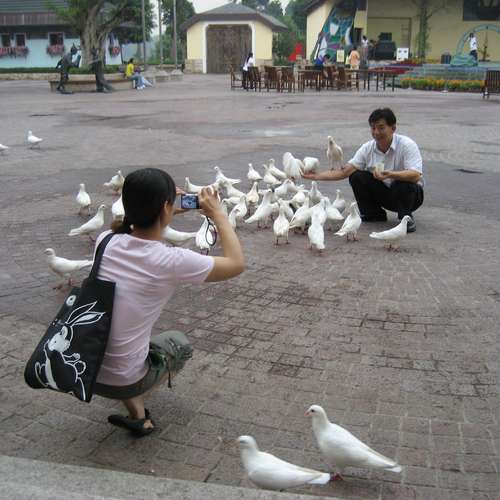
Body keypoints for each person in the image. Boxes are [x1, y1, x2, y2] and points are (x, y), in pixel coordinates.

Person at [92, 168, 245, 435]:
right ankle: (134, 390)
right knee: (178, 343)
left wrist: (164, 212)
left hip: (86, 365)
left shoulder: (105, 241)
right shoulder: (170, 260)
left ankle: (139, 417)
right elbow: (236, 263)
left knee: (124, 343)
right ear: (165, 208)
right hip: (122, 379)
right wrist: (218, 214)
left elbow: (134, 228)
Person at [303, 108, 423, 232]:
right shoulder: (367, 148)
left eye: (381, 128)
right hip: (385, 194)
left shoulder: (407, 145)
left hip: (410, 196)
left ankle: (406, 218)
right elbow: (344, 172)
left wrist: (390, 174)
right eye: (373, 128)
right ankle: (373, 213)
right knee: (356, 176)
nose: (376, 132)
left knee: (401, 183)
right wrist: (315, 176)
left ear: (393, 128)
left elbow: (416, 175)